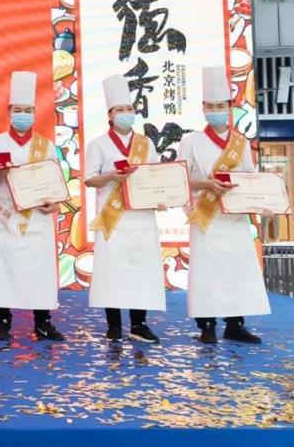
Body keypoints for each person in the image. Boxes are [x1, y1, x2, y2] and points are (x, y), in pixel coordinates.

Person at [178, 66, 271, 344]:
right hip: (206, 216)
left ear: (230, 107)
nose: (215, 110)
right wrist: (207, 184)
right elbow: (179, 179)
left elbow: (250, 179)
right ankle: (206, 326)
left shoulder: (240, 143)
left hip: (234, 218)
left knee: (236, 271)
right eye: (210, 106)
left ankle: (235, 325)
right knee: (207, 273)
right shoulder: (191, 141)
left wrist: (262, 203)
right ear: (203, 108)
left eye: (220, 106)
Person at [0, 71, 64, 342]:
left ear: (35, 113)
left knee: (41, 273)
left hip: (38, 219)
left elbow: (54, 181)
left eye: (28, 110)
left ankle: (43, 323)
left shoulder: (45, 145)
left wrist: (54, 204)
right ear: (9, 112)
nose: (22, 115)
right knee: (5, 272)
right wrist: (0, 174)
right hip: (8, 218)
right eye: (18, 110)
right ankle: (3, 324)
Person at [84, 75, 164, 342]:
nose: (125, 113)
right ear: (110, 114)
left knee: (141, 270)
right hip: (113, 218)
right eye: (120, 109)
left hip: (141, 216)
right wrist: (111, 176)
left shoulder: (145, 143)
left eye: (129, 108)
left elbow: (155, 176)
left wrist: (160, 197)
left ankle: (139, 324)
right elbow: (89, 179)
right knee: (112, 271)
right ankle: (114, 325)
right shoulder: (98, 144)